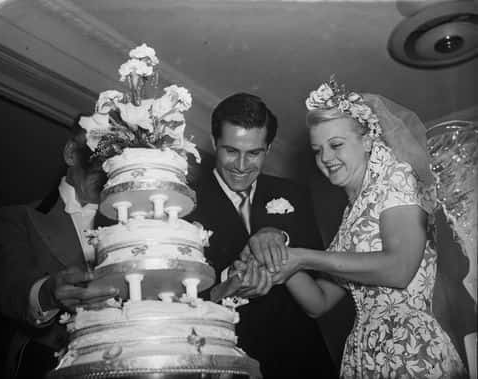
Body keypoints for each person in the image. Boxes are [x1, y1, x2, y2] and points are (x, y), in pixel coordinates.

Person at [239, 79, 468, 378]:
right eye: (317, 150)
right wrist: (278, 259)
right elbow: (319, 301)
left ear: (369, 140)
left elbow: (399, 269)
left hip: (409, 350)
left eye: (336, 145)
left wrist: (304, 257)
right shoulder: (351, 215)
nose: (325, 159)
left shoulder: (396, 179)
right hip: (363, 354)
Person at [187, 93, 336, 378]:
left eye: (254, 153)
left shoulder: (294, 194)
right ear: (214, 142)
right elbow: (174, 301)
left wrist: (281, 236)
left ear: (268, 148)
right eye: (231, 151)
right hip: (227, 360)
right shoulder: (186, 205)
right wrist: (224, 285)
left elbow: (322, 279)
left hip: (302, 359)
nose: (241, 166)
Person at [0, 122, 118, 378]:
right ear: (71, 153)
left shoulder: (130, 226)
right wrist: (49, 293)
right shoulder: (19, 217)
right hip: (46, 362)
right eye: (99, 156)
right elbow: (12, 291)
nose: (106, 168)